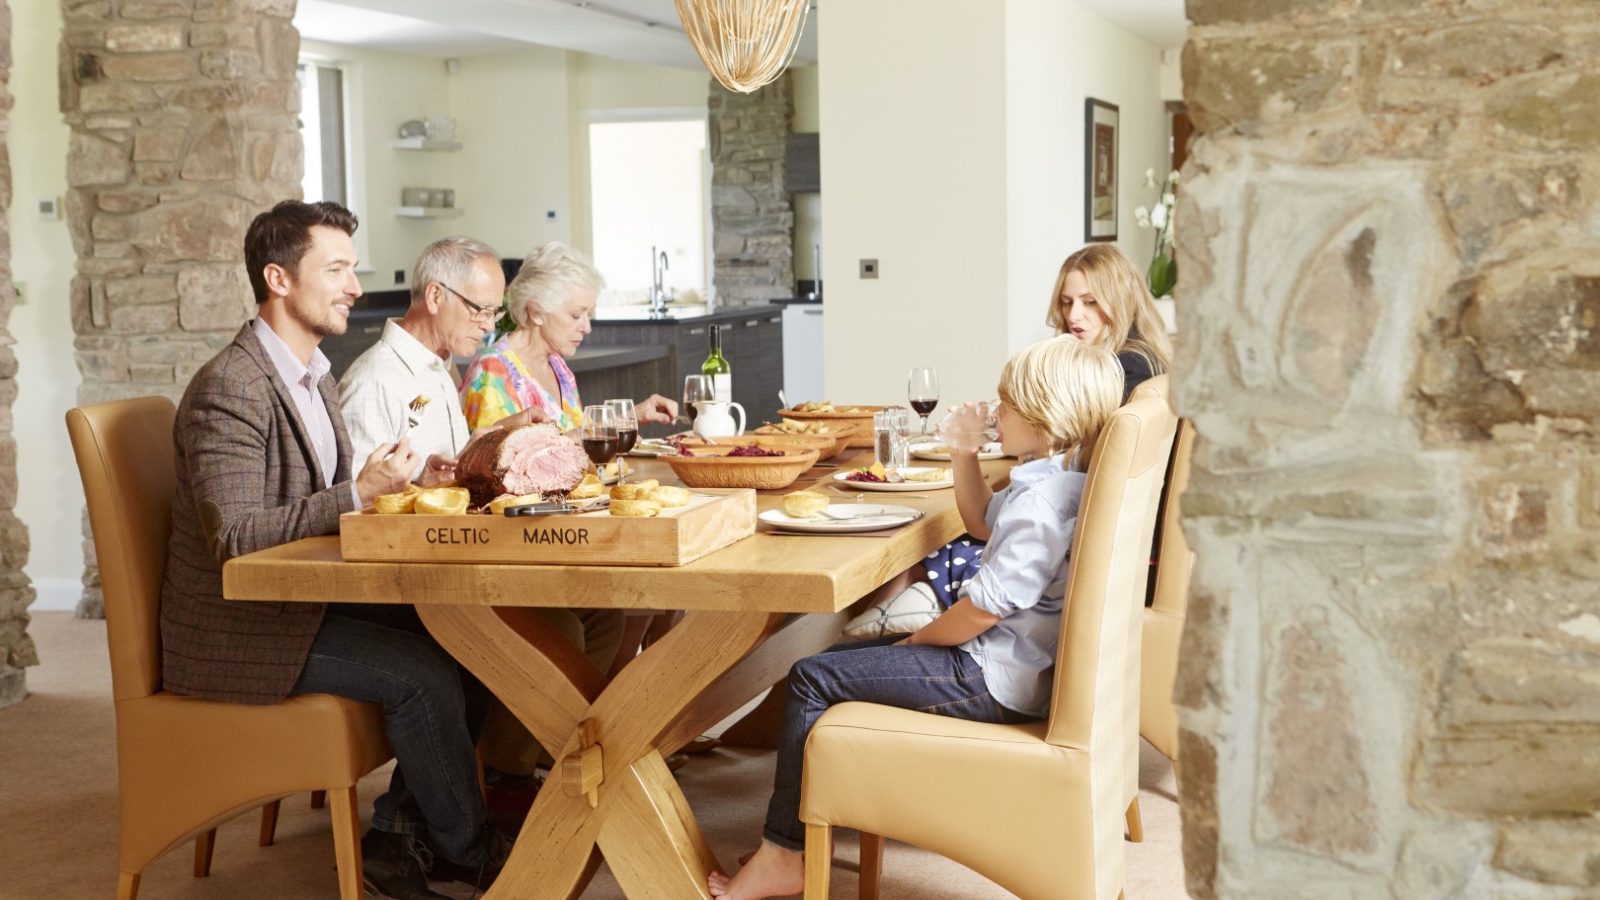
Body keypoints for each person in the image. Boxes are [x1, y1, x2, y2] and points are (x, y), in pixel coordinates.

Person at [160, 200, 501, 900]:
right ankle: (469, 852)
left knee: (478, 635)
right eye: (338, 269)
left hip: (299, 602)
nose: (354, 285)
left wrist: (399, 480)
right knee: (422, 673)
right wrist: (356, 494)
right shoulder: (230, 386)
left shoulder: (311, 375)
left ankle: (404, 840)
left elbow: (312, 500)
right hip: (240, 628)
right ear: (279, 279)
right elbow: (233, 537)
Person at [708, 336, 1126, 900]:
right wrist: (963, 451)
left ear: (1046, 418)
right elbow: (979, 523)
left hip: (990, 676)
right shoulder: (1054, 484)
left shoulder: (1039, 505)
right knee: (832, 662)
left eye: (1007, 403)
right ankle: (806, 838)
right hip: (1006, 665)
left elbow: (979, 613)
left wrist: (912, 646)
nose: (995, 410)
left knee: (811, 677)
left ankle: (785, 855)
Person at [337, 236, 626, 812]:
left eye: (496, 310)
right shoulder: (376, 381)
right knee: (559, 629)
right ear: (436, 295)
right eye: (481, 309)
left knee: (605, 609)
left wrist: (491, 441)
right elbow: (361, 510)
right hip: (423, 578)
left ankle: (542, 748)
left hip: (460, 552)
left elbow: (445, 468)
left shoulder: (436, 371)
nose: (491, 323)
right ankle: (506, 777)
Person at [459, 241, 676, 432]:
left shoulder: (557, 364)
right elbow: (496, 466)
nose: (586, 327)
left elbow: (578, 437)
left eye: (588, 314)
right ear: (536, 311)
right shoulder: (494, 371)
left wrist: (634, 416)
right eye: (576, 315)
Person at [1047, 243, 1172, 401]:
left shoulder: (1129, 369)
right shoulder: (1137, 358)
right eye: (1066, 302)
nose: (1073, 316)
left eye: (1090, 302)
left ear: (1119, 303)